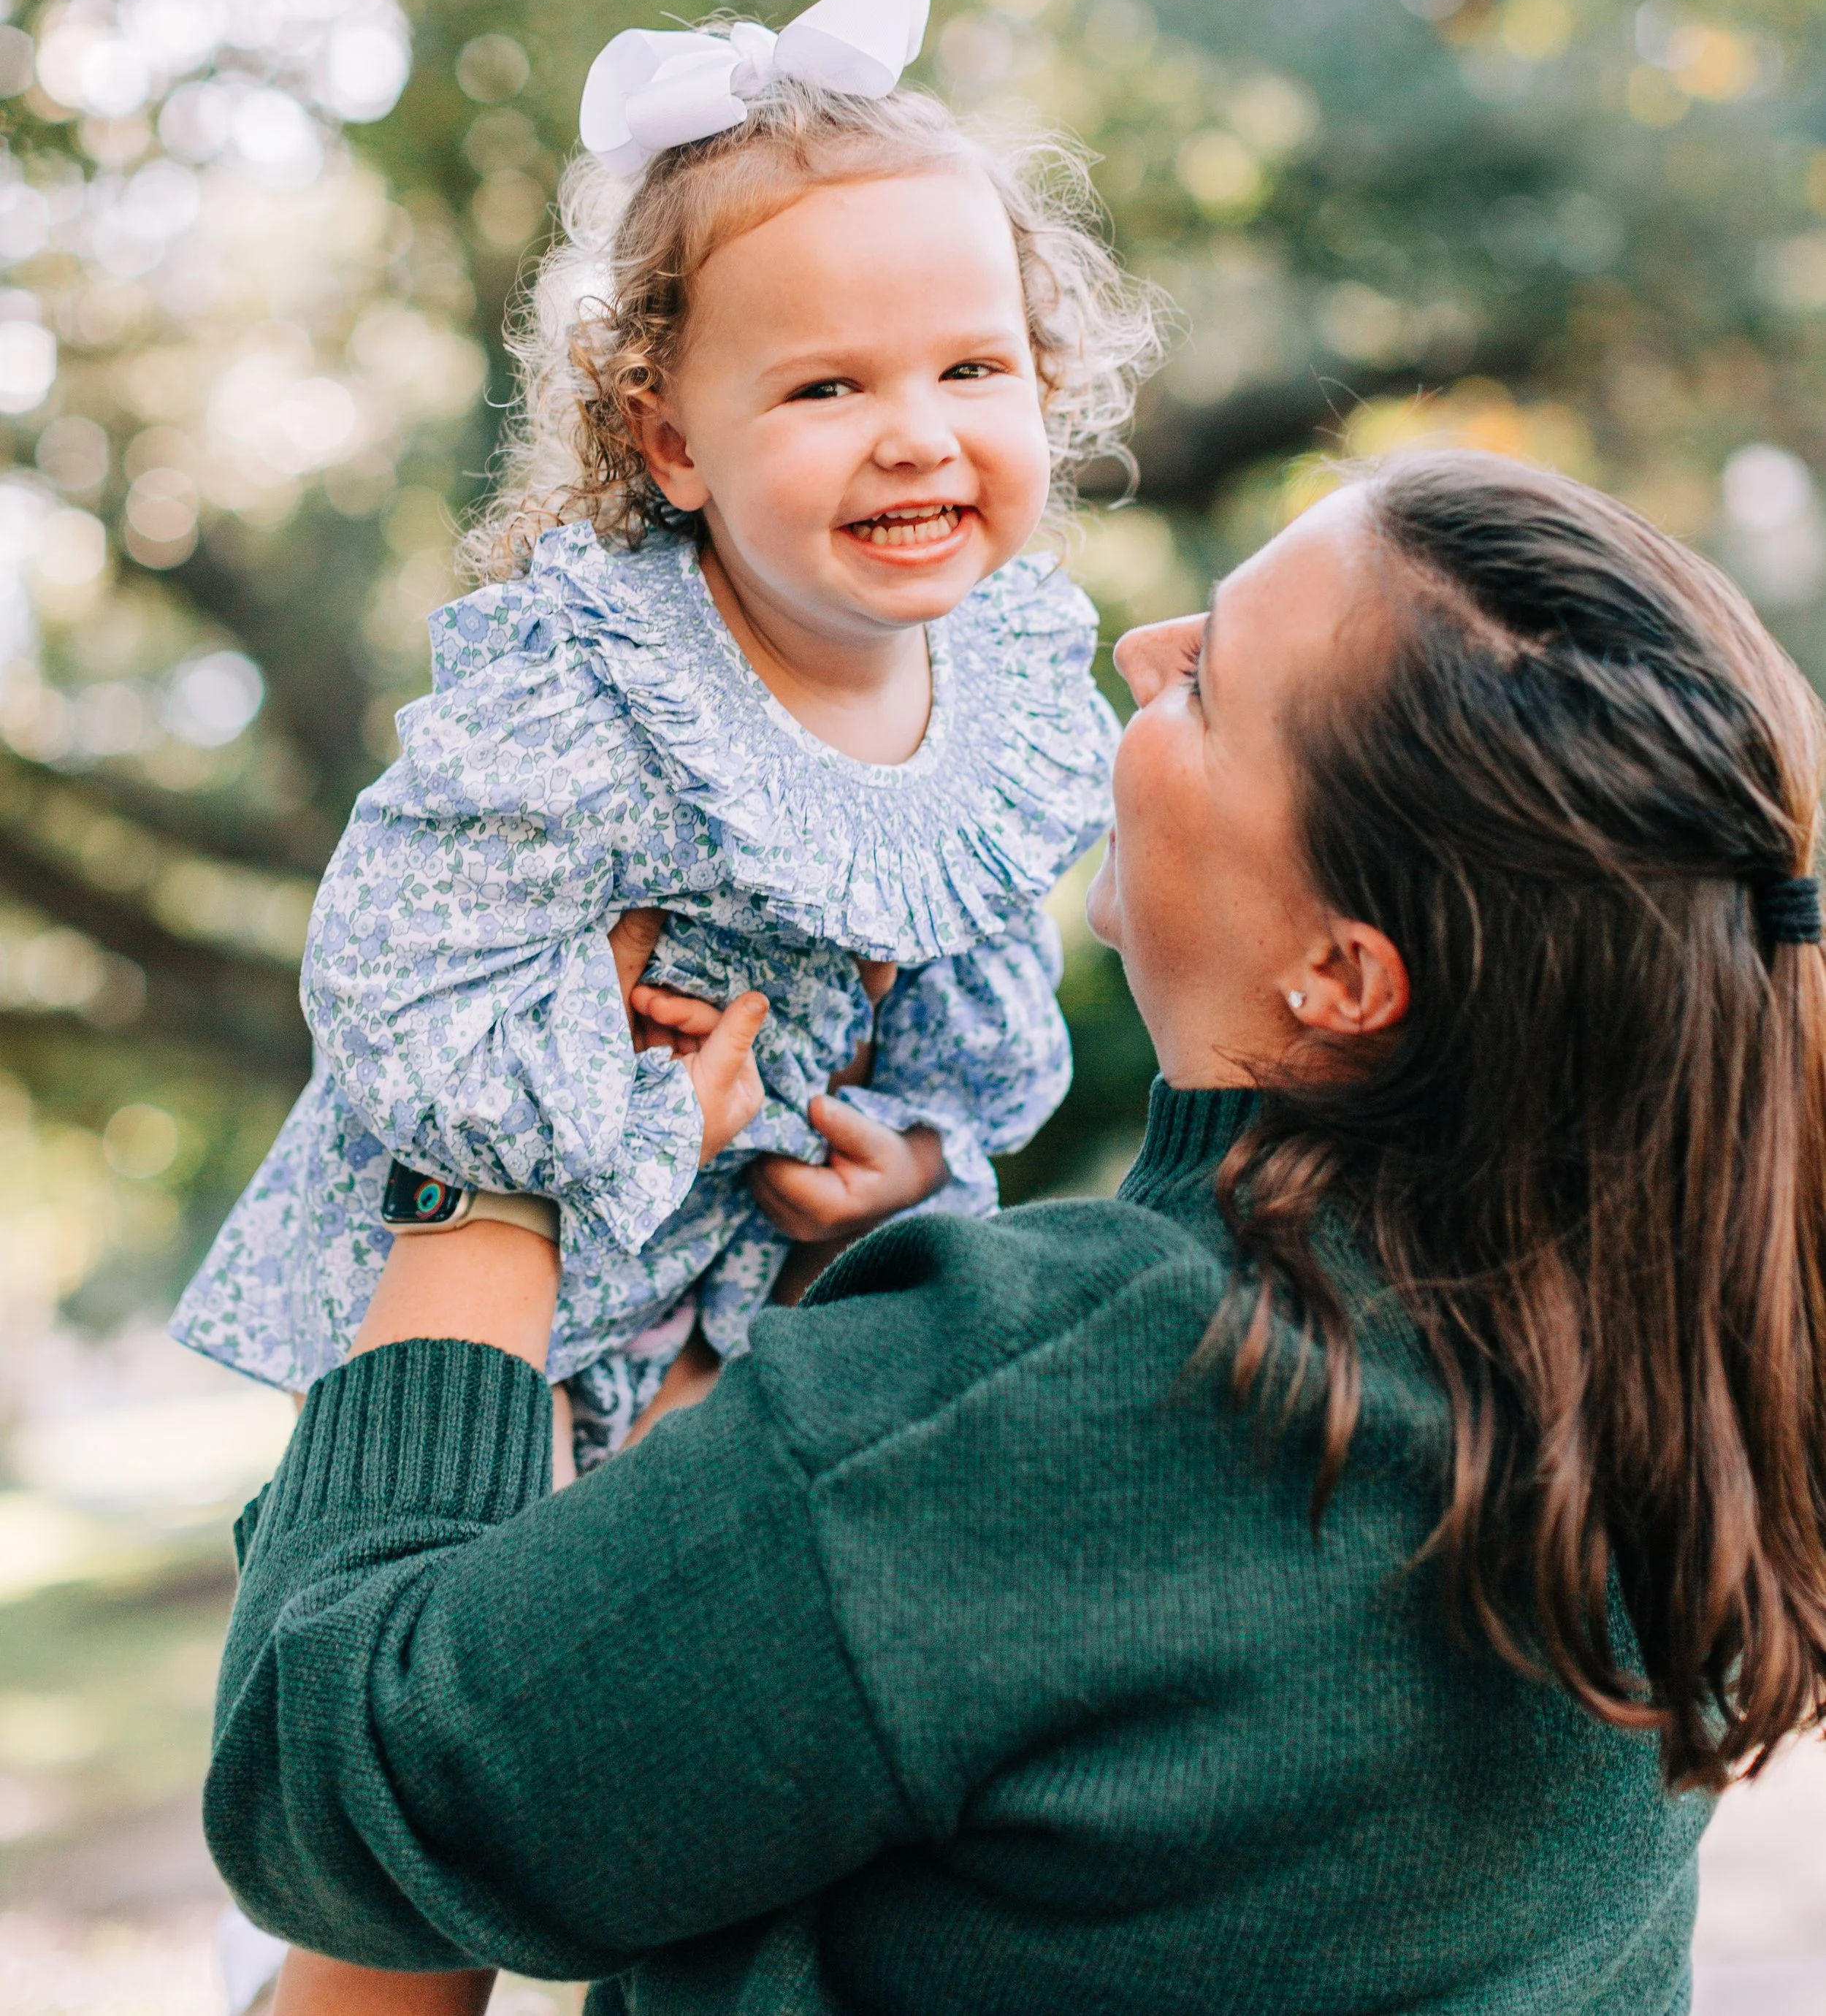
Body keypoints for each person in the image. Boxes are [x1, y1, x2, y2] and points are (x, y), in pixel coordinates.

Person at [207, 451, 1826, 2014]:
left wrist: (491, 1157)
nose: (1137, 649)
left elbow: (332, 1789)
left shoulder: (1070, 1397)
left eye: (1208, 685)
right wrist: (839, 1293)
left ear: (1341, 973)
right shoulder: (1665, 1370)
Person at [172, 0, 1159, 1468]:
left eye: (972, 369)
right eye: (827, 388)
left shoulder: (1007, 691)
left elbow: (971, 1020)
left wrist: (905, 1164)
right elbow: (393, 971)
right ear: (673, 444)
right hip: (511, 1297)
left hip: (754, 1310)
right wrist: (628, 1123)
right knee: (486, 1644)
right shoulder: (598, 686)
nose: (914, 434)